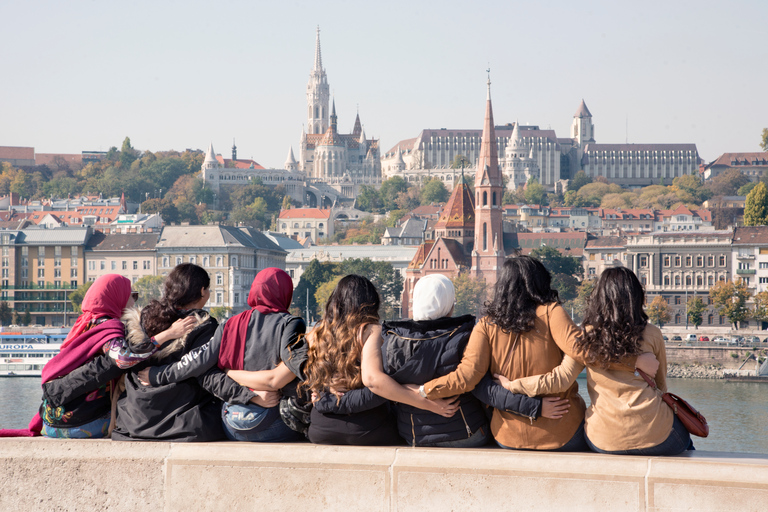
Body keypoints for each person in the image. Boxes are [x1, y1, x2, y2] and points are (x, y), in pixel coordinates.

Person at [418, 256, 658, 451]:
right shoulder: (551, 311)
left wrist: (423, 391)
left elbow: (467, 377)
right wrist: (634, 361)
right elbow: (585, 351)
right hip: (561, 433)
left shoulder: (486, 324)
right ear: (539, 283)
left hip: (507, 437)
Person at [313, 274, 546, 447]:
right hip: (465, 434)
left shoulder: (390, 338)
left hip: (412, 435)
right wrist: (534, 406)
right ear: (449, 303)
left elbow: (381, 384)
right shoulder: (465, 335)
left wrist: (324, 397)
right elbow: (483, 389)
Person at [498, 267, 692, 456]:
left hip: (603, 439)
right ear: (636, 298)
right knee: (685, 439)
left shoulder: (587, 336)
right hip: (655, 436)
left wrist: (513, 385)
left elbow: (561, 379)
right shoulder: (652, 333)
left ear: (598, 298)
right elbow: (661, 386)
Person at [0, 274, 194, 438]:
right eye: (131, 295)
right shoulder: (109, 326)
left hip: (50, 422)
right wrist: (167, 335)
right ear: (117, 297)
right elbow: (123, 359)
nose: (134, 301)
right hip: (79, 425)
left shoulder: (84, 322)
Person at [138, 267, 307, 442]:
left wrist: (157, 375)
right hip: (270, 421)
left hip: (232, 424)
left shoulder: (229, 324)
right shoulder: (291, 324)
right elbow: (289, 373)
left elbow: (201, 367)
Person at [298, 274, 458, 445]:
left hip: (320, 430)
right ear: (371, 303)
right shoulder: (370, 330)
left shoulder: (315, 334)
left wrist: (325, 394)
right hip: (368, 429)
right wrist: (426, 403)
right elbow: (374, 381)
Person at [113, 263, 262, 442]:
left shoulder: (142, 318)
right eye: (209, 289)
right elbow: (206, 374)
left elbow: (129, 356)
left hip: (133, 420)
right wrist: (250, 397)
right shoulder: (203, 326)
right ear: (201, 291)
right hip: (180, 423)